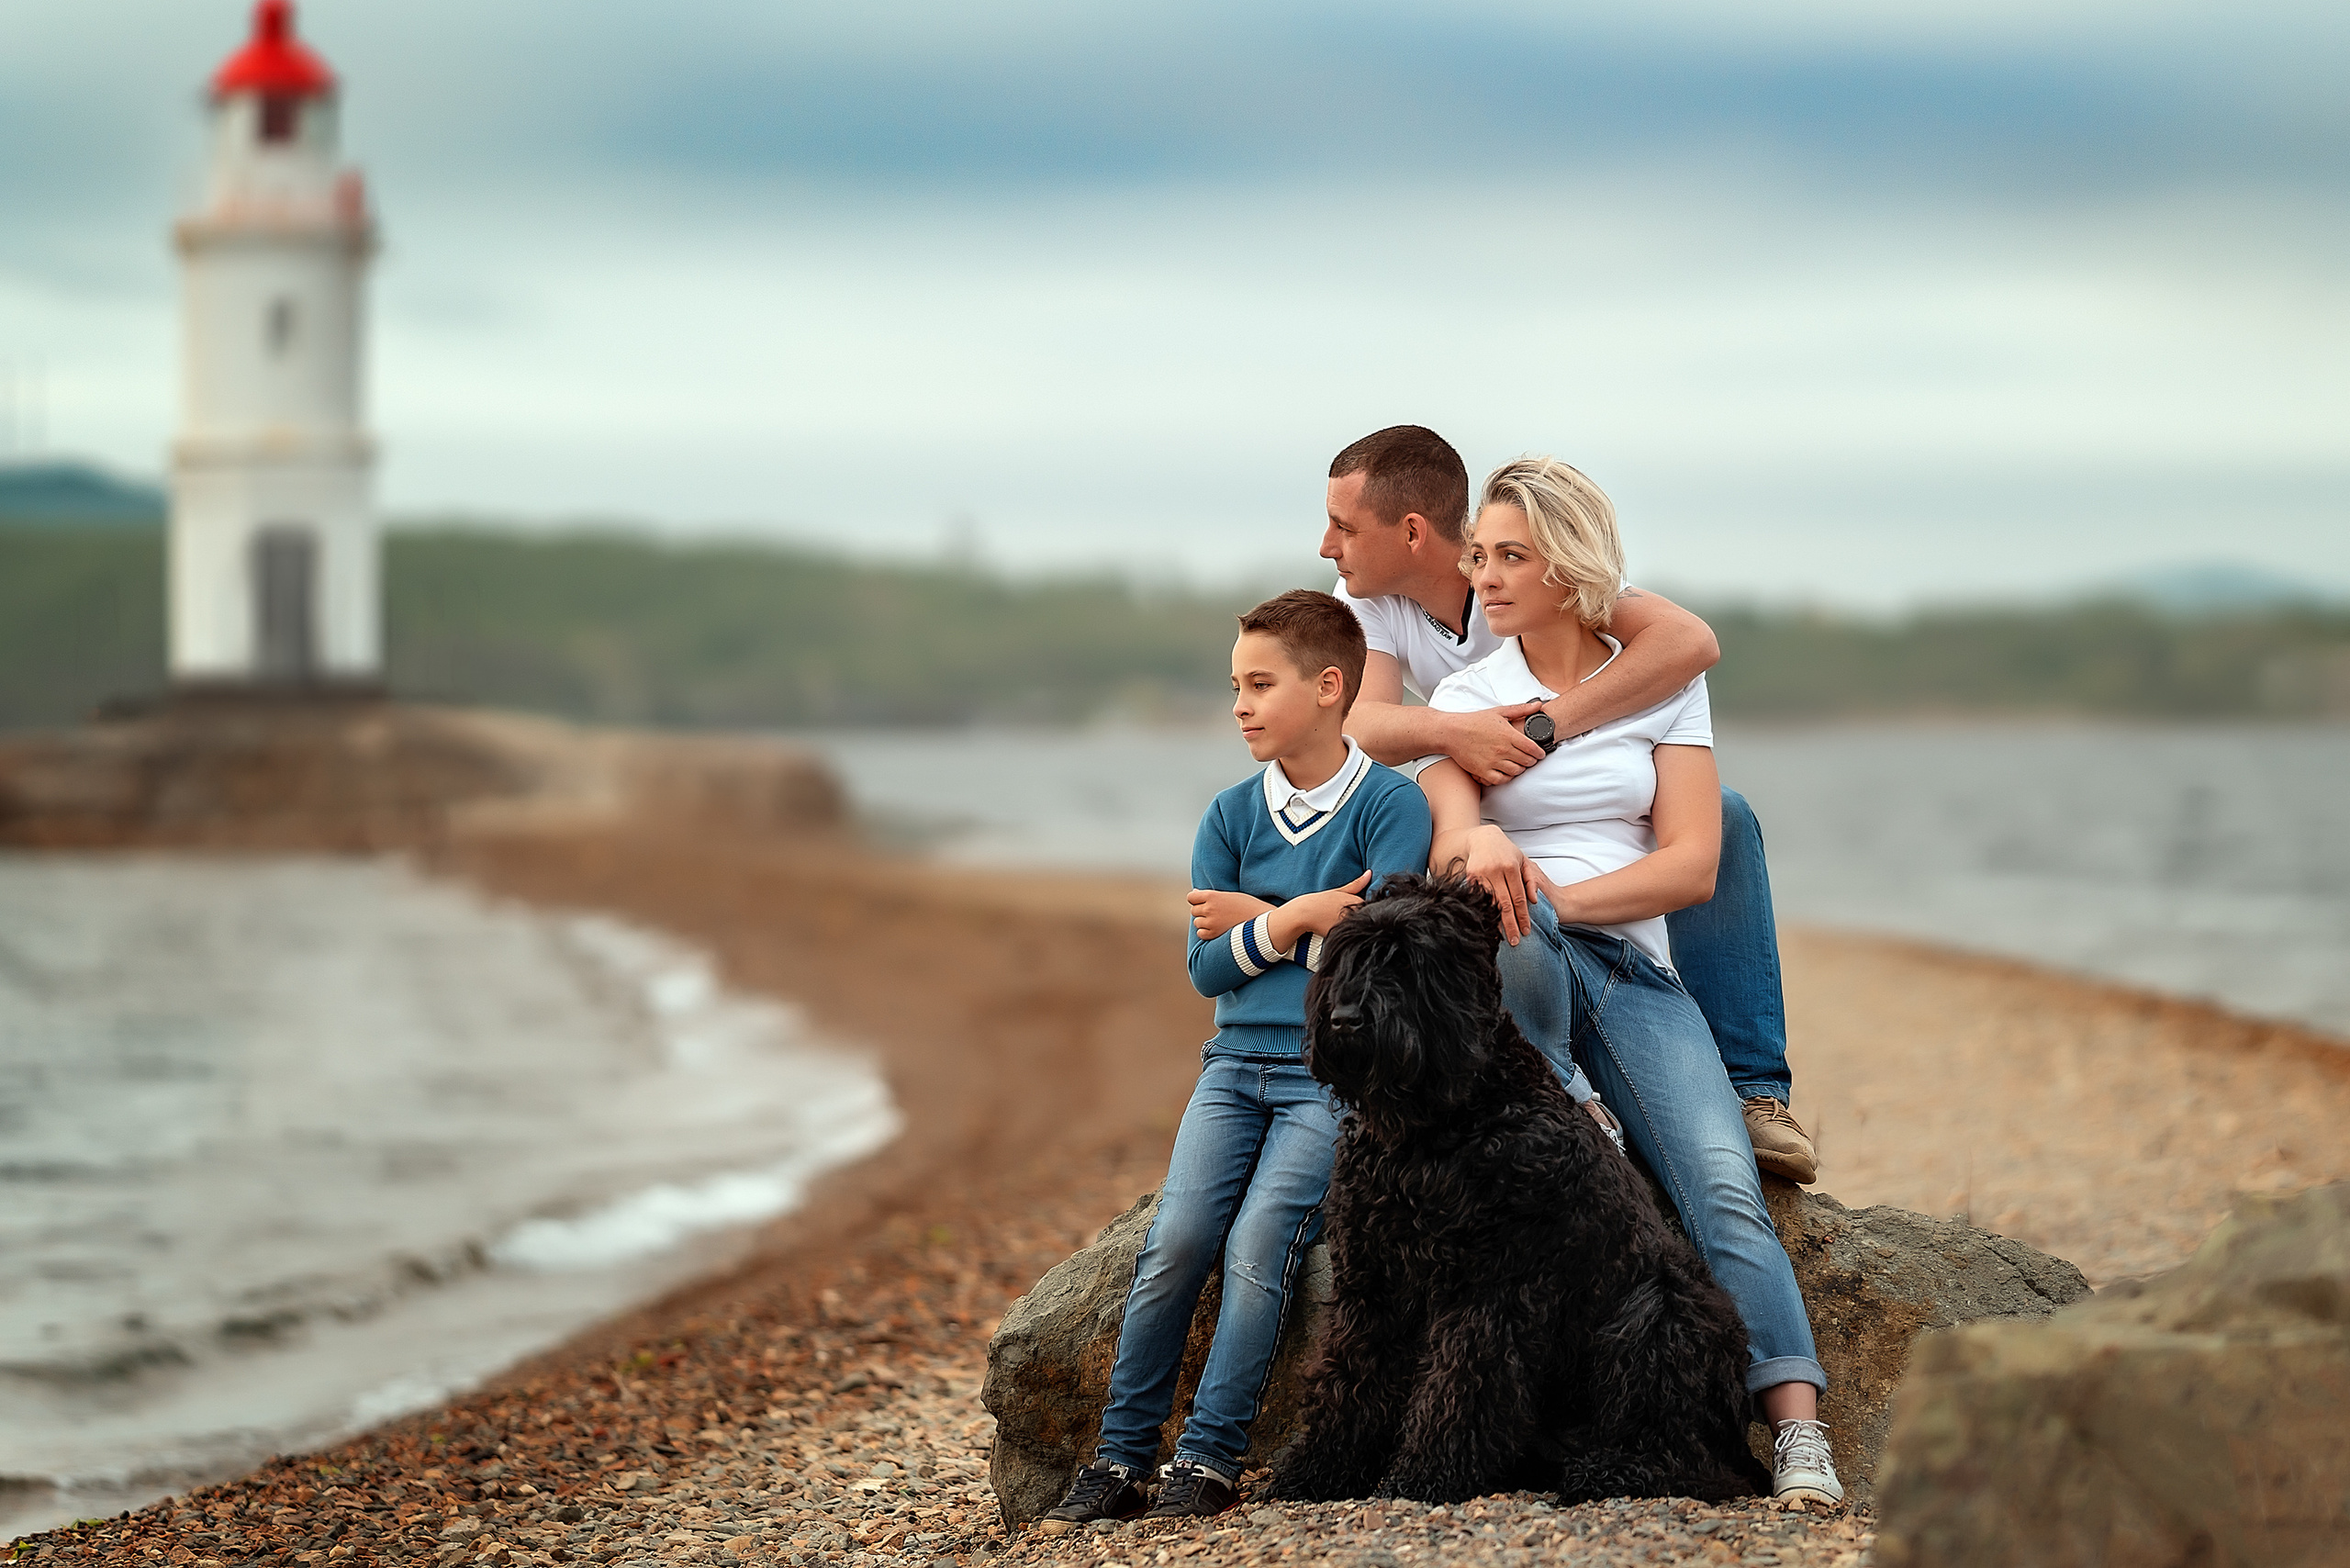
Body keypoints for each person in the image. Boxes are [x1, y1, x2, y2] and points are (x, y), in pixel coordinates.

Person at [1418, 455, 1841, 1504]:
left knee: (1724, 1189)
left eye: (1511, 555)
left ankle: (1796, 1429)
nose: (1488, 576)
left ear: (1567, 567)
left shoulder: (1660, 684)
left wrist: (1555, 891)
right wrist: (1486, 851)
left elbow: (1693, 864)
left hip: (1632, 970)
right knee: (1513, 942)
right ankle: (1575, 1112)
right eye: (1479, 555)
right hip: (1523, 962)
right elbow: (1451, 839)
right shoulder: (1466, 699)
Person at [1322, 425, 1817, 1184]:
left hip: (1579, 775)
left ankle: (1753, 1090)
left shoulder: (1534, 558)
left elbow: (1689, 641)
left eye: (1345, 527)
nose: (1329, 546)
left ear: (1413, 532)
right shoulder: (1369, 602)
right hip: (1484, 794)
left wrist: (1554, 724)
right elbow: (1358, 723)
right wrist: (1462, 733)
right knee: (1419, 822)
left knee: (1730, 814)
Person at [1038, 590, 1434, 1531]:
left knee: (1262, 1245)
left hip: (1326, 1081)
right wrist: (1304, 917)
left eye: (1260, 684)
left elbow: (1380, 957)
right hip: (1230, 1071)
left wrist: (1262, 917)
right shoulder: (1228, 813)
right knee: (1175, 1243)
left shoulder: (1393, 806)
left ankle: (1209, 1459)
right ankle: (1120, 1460)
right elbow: (1203, 965)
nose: (1239, 705)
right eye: (1234, 685)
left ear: (1330, 687)